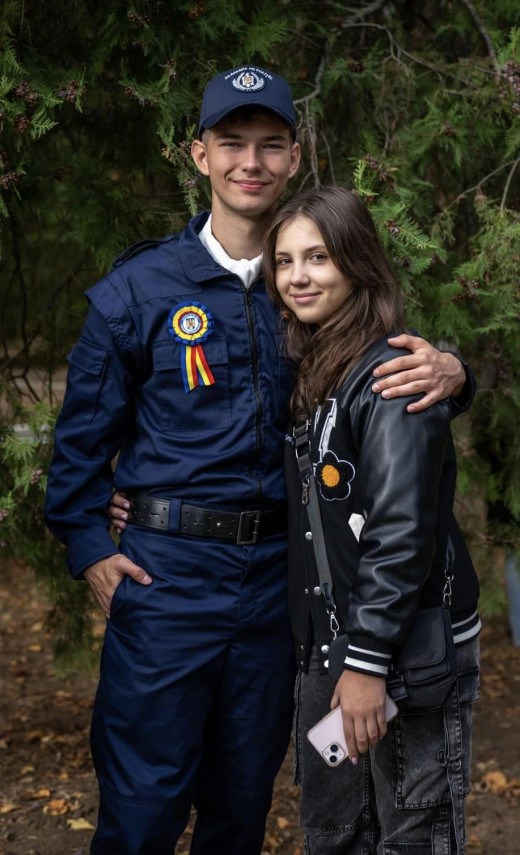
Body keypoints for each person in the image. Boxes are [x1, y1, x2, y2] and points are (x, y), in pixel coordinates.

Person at [44, 64, 473, 855]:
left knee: (241, 807)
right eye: (231, 142)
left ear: (295, 156)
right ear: (198, 154)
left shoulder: (312, 286)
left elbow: (382, 370)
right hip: (168, 579)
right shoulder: (139, 290)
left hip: (280, 587)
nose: (251, 161)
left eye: (271, 144)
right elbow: (80, 444)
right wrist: (89, 545)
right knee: (142, 811)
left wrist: (454, 370)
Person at [262, 185, 481, 854]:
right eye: (284, 260)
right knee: (338, 832)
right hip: (336, 645)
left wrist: (365, 663)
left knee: (412, 835)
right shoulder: (320, 368)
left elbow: (400, 533)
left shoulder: (392, 376)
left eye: (318, 257)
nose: (298, 277)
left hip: (402, 652)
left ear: (357, 263)